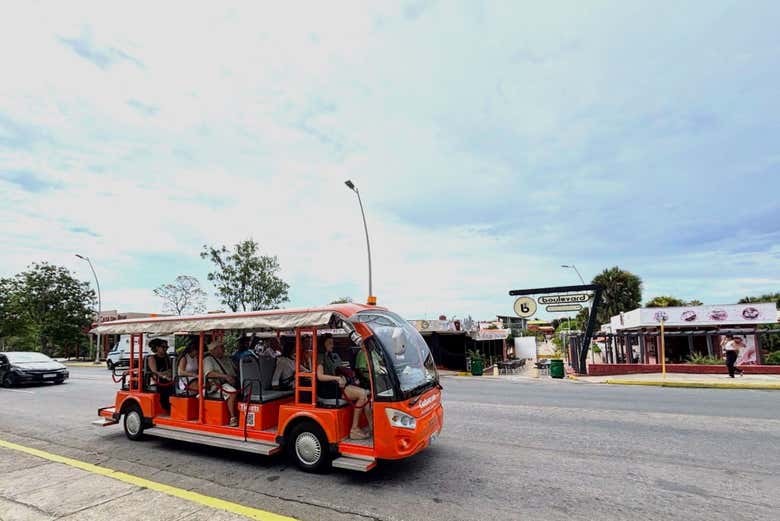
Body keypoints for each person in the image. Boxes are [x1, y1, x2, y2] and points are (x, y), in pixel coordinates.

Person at [317, 334, 372, 440]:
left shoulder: (332, 355)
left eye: (332, 343)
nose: (332, 345)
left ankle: (371, 426)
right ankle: (354, 429)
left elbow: (340, 368)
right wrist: (337, 378)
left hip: (337, 385)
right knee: (362, 394)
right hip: (328, 388)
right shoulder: (320, 356)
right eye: (329, 343)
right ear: (323, 344)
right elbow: (320, 376)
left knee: (366, 394)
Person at [204, 339, 239, 426]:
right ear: (214, 349)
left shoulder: (226, 358)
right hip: (217, 385)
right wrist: (225, 376)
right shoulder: (208, 359)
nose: (224, 349)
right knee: (232, 393)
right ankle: (233, 417)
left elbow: (236, 369)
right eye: (221, 347)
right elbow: (209, 373)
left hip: (231, 382)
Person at [148, 338, 172, 411]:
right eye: (163, 347)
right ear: (157, 348)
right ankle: (166, 407)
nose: (165, 349)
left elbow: (170, 369)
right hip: (157, 381)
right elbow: (155, 372)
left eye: (166, 347)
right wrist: (165, 375)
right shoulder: (152, 358)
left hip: (166, 379)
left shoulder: (167, 357)